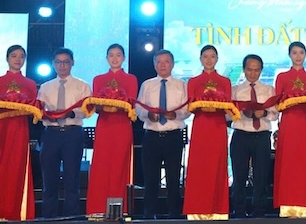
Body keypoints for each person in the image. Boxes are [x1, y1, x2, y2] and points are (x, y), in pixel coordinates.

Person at [136, 49, 191, 219]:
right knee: (151, 178)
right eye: (159, 62)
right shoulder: (147, 85)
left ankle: (174, 213)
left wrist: (176, 115)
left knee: (173, 178)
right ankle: (149, 213)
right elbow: (139, 109)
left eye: (166, 61)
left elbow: (188, 109)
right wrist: (148, 115)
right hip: (152, 135)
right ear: (154, 64)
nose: (162, 65)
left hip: (173, 135)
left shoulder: (182, 85)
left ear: (172, 64)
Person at [37, 47, 92, 218]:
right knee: (49, 180)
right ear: (53, 64)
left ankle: (71, 217)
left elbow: (87, 109)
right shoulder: (45, 87)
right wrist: (47, 116)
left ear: (72, 63)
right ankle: (49, 217)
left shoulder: (82, 85)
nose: (62, 66)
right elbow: (39, 111)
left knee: (72, 179)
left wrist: (71, 113)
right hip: (51, 133)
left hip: (72, 133)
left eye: (66, 62)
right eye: (59, 62)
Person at [86, 44, 138, 218]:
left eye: (118, 55)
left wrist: (118, 106)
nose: (115, 58)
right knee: (101, 166)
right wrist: (105, 106)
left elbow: (132, 103)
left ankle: (120, 210)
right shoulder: (98, 79)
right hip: (104, 126)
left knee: (120, 166)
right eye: (111, 55)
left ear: (124, 58)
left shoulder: (131, 79)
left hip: (122, 126)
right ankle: (97, 209)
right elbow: (96, 104)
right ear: (107, 58)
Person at [273, 41, 306, 217]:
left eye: (301, 52)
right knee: (289, 163)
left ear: (305, 54)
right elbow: (277, 103)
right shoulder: (282, 77)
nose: (298, 56)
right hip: (289, 124)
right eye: (294, 52)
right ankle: (289, 206)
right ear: (290, 55)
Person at [183, 45, 231, 220]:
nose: (209, 60)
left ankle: (217, 211)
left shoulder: (225, 81)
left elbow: (229, 107)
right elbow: (190, 107)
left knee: (217, 167)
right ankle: (197, 210)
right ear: (200, 59)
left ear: (217, 59)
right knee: (199, 168)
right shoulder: (193, 82)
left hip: (218, 128)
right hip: (201, 127)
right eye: (205, 57)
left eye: (212, 56)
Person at [231, 54, 278, 218]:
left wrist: (264, 112)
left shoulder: (269, 90)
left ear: (261, 70)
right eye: (249, 70)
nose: (253, 73)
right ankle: (239, 211)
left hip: (262, 136)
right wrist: (243, 113)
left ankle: (259, 211)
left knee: (261, 176)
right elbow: (228, 116)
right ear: (244, 70)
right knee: (239, 176)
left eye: (256, 70)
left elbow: (275, 114)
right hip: (241, 136)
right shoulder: (235, 90)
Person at [0, 45, 37, 221]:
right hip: (1, 129)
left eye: (21, 56)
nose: (17, 59)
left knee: (17, 166)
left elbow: (34, 109)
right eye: (14, 56)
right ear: (7, 58)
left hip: (20, 130)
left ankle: (15, 211)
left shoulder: (30, 84)